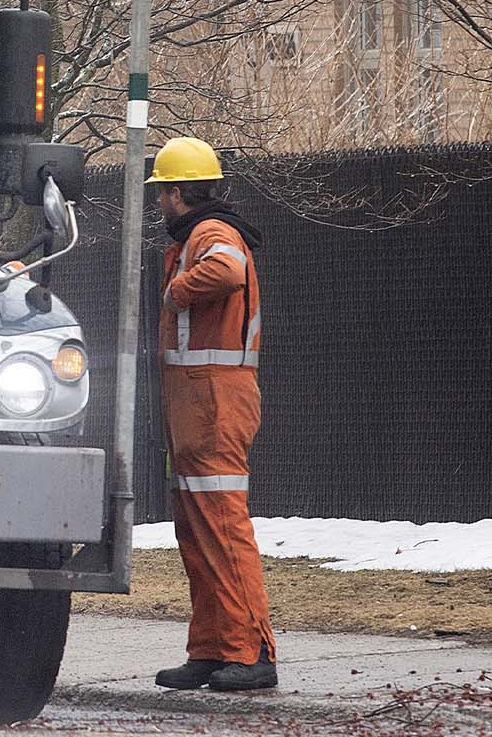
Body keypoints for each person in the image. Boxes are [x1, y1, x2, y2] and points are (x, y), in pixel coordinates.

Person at [147, 137, 278, 693]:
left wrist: (176, 292)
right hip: (198, 403)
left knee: (221, 526)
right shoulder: (196, 235)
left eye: (161, 193)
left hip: (214, 400)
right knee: (198, 530)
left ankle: (252, 652)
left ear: (177, 192)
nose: (158, 204)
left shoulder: (210, 233)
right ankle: (213, 649)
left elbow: (224, 270)